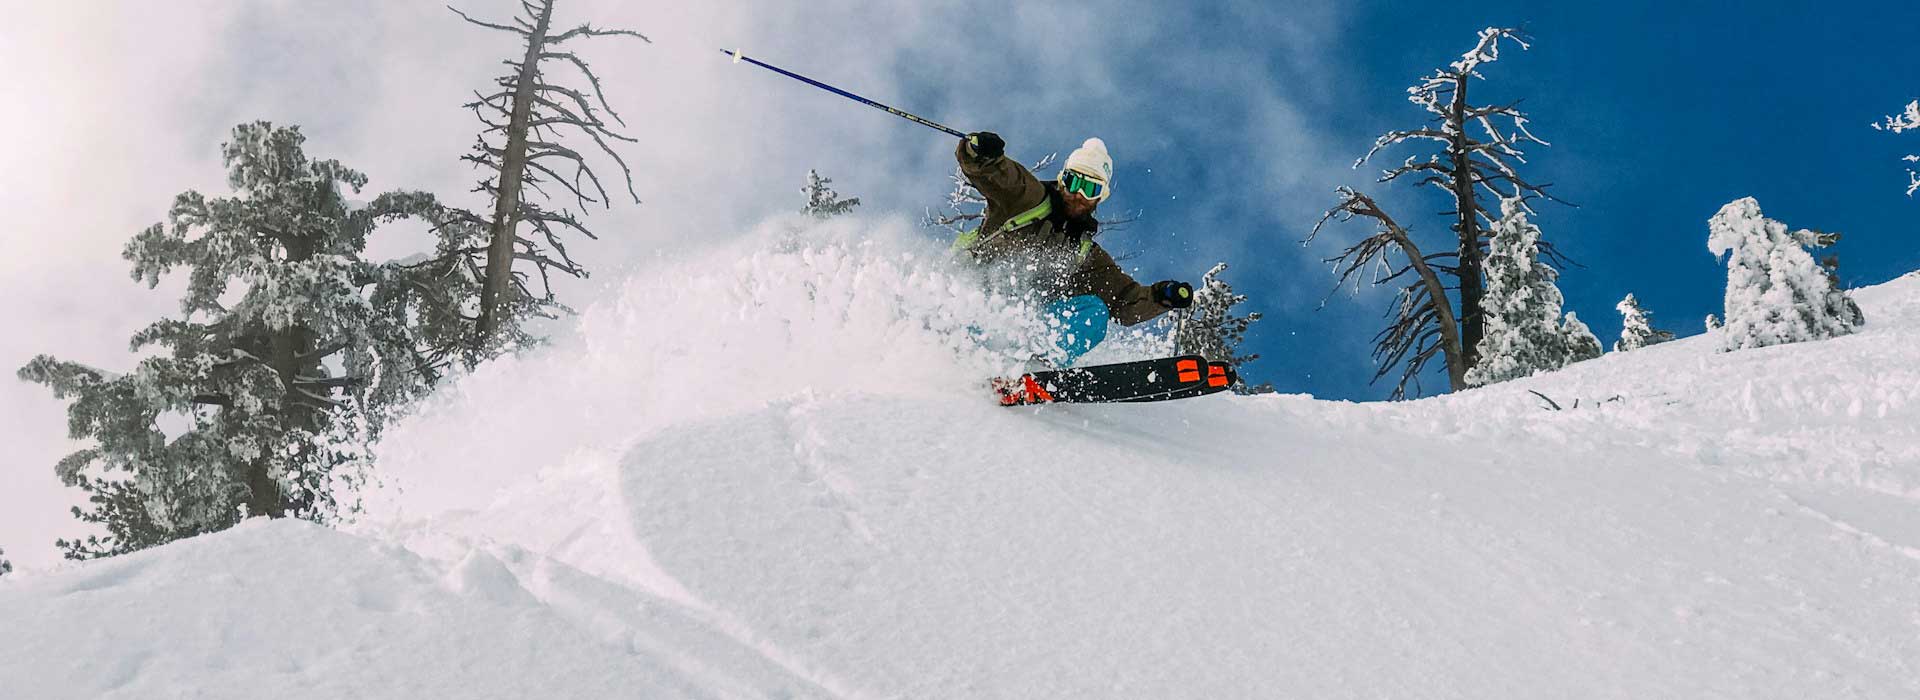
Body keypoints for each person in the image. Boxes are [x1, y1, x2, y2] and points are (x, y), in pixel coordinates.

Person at [951, 131, 1192, 365]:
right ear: (1061, 179)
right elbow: (1003, 176)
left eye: (1090, 189)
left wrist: (1161, 297)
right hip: (977, 304)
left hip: (1021, 330)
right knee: (988, 300)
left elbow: (1123, 301)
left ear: (1101, 196)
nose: (1078, 194)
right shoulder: (1027, 199)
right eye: (1073, 182)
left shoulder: (1085, 254)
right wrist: (980, 153)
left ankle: (1039, 365)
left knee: (1095, 311)